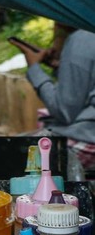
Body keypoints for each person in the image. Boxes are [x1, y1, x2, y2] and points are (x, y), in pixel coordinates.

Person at [12, 29, 95, 175]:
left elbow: (64, 111)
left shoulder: (82, 38)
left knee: (9, 154)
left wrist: (34, 69)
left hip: (87, 140)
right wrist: (62, 66)